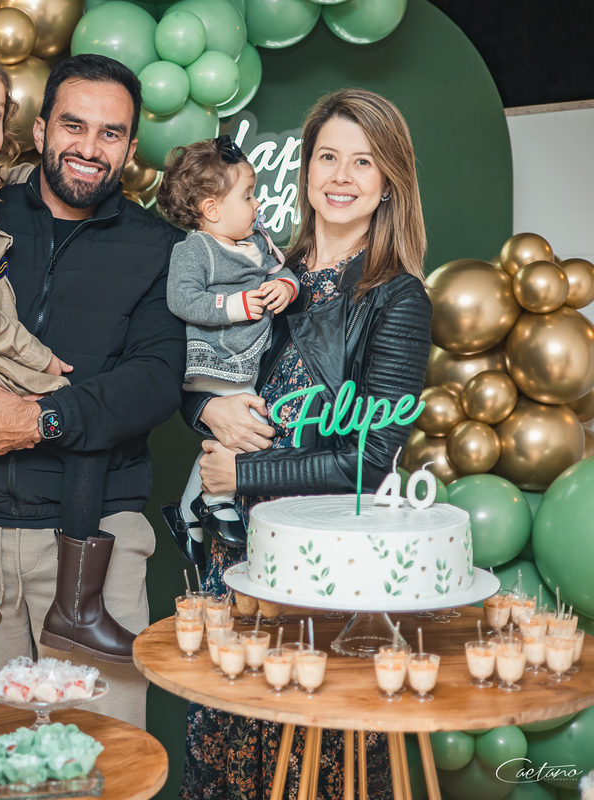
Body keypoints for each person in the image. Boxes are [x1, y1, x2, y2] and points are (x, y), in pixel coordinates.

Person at [0, 53, 186, 728]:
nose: (90, 147)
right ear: (42, 130)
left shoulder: (160, 248)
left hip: (95, 542)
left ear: (131, 148)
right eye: (73, 126)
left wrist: (41, 419)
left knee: (101, 760)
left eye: (110, 133)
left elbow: (155, 381)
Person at [177, 89, 433, 800]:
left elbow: (372, 460)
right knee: (226, 747)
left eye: (364, 161)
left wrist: (245, 473)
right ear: (306, 168)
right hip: (233, 553)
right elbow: (197, 371)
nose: (342, 176)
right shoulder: (257, 268)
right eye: (328, 157)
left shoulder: (396, 298)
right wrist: (207, 408)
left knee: (315, 762)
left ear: (389, 182)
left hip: (324, 571)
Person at [156, 135, 298, 548]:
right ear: (212, 209)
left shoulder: (256, 242)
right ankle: (214, 500)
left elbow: (279, 269)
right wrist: (234, 305)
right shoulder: (196, 250)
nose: (257, 203)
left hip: (247, 357)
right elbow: (182, 299)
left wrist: (285, 287)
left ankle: (187, 512)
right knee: (249, 428)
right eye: (248, 195)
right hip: (216, 360)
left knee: (234, 435)